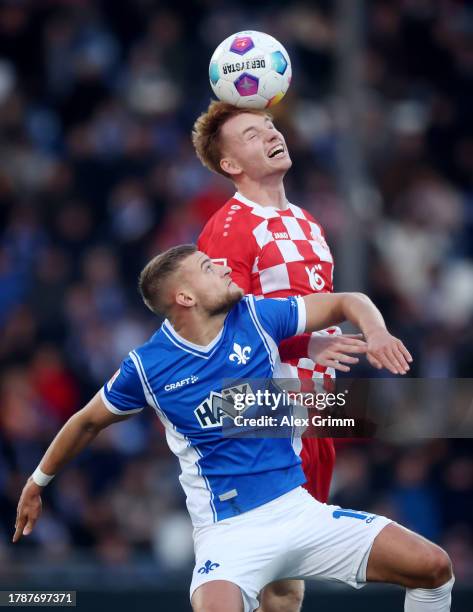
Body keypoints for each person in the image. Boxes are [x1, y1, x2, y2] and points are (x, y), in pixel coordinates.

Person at [15, 245, 453, 612]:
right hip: (229, 535)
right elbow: (87, 421)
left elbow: (346, 300)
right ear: (184, 297)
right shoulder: (147, 367)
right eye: (209, 267)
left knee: (434, 567)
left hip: (297, 511)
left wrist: (375, 331)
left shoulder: (256, 317)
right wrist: (37, 482)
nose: (224, 266)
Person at [193, 101, 362, 610]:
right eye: (251, 133)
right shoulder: (227, 230)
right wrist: (306, 342)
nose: (270, 133)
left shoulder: (309, 222)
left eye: (268, 124)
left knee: (289, 581)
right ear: (231, 165)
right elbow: (225, 329)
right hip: (260, 415)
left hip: (314, 414)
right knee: (261, 575)